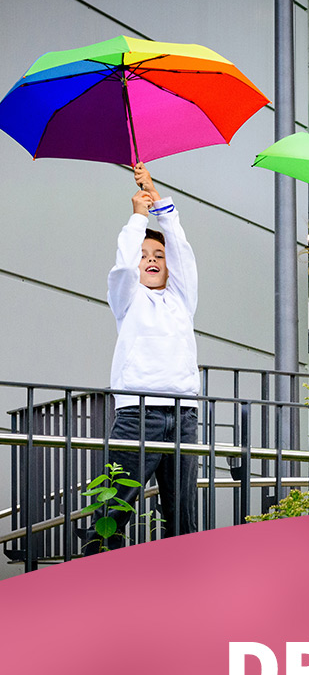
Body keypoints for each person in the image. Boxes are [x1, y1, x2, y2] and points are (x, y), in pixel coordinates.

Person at [84, 162, 199, 551]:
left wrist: (161, 204)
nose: (152, 259)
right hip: (138, 413)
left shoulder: (182, 300)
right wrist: (137, 218)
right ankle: (99, 564)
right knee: (116, 505)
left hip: (183, 414)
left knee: (181, 512)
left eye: (158, 255)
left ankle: (180, 580)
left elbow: (182, 252)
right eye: (145, 254)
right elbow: (120, 269)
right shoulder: (128, 299)